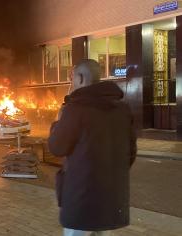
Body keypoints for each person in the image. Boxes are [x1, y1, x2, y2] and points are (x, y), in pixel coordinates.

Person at [48, 59, 137, 236]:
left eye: (73, 78)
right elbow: (130, 154)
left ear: (80, 78)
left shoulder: (75, 109)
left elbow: (57, 148)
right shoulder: (123, 109)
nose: (72, 83)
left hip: (81, 202)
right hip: (111, 201)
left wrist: (57, 123)